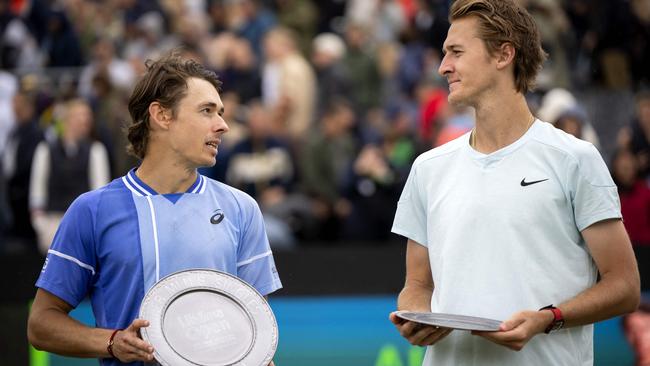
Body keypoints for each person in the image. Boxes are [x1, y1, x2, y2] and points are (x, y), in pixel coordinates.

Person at [388, 1, 640, 365]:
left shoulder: (575, 159)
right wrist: (415, 317)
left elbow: (625, 287)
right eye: (445, 54)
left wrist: (547, 319)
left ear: (504, 54)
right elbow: (417, 286)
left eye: (456, 52)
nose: (444, 67)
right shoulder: (428, 167)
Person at [27, 53, 282, 365]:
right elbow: (41, 325)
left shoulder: (242, 208)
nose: (223, 125)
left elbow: (253, 333)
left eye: (221, 113)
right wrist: (110, 342)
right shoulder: (91, 211)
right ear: (161, 115)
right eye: (207, 111)